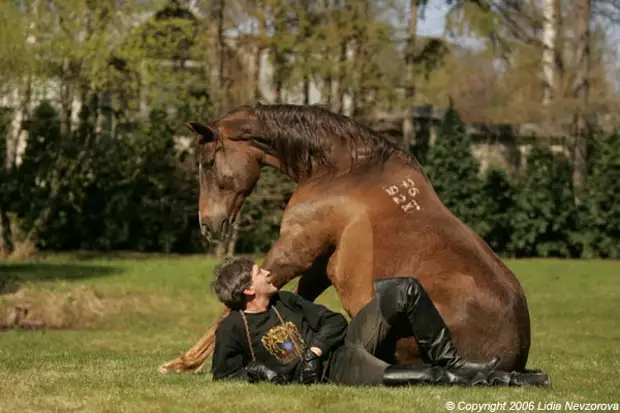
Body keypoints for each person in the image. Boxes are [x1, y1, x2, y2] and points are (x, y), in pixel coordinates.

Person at [210, 257, 550, 387]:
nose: (268, 272)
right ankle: (510, 381)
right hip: (338, 371)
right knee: (424, 377)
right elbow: (223, 375)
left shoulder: (286, 299)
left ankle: (453, 360)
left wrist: (313, 349)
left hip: (344, 344)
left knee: (404, 288)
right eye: (259, 273)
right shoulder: (232, 330)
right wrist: (257, 372)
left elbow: (333, 322)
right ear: (247, 291)